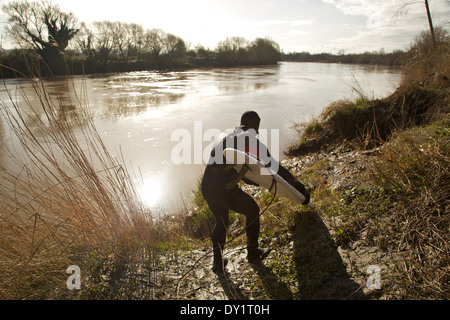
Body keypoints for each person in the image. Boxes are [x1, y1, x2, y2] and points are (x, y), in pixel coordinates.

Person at [201, 111, 310, 274]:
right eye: (257, 129)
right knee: (253, 210)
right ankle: (253, 252)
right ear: (254, 127)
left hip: (208, 186)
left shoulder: (226, 134)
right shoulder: (251, 140)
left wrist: (254, 179)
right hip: (223, 189)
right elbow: (275, 168)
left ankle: (218, 264)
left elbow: (241, 168)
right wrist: (298, 187)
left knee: (221, 220)